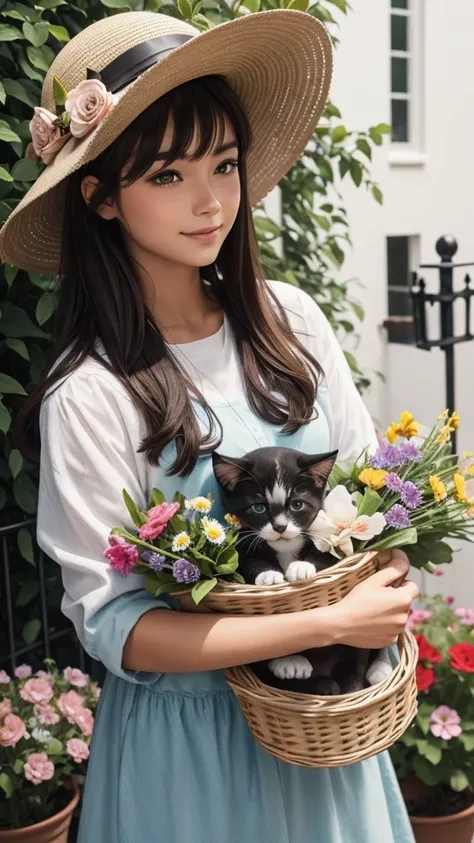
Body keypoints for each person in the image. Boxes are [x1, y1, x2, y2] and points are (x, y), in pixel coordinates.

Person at [2, 10, 419, 842]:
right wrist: (325, 623)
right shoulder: (91, 394)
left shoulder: (289, 323)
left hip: (323, 727)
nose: (211, 199)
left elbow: (378, 503)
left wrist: (380, 588)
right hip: (188, 756)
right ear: (101, 198)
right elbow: (117, 624)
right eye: (168, 175)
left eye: (225, 164)